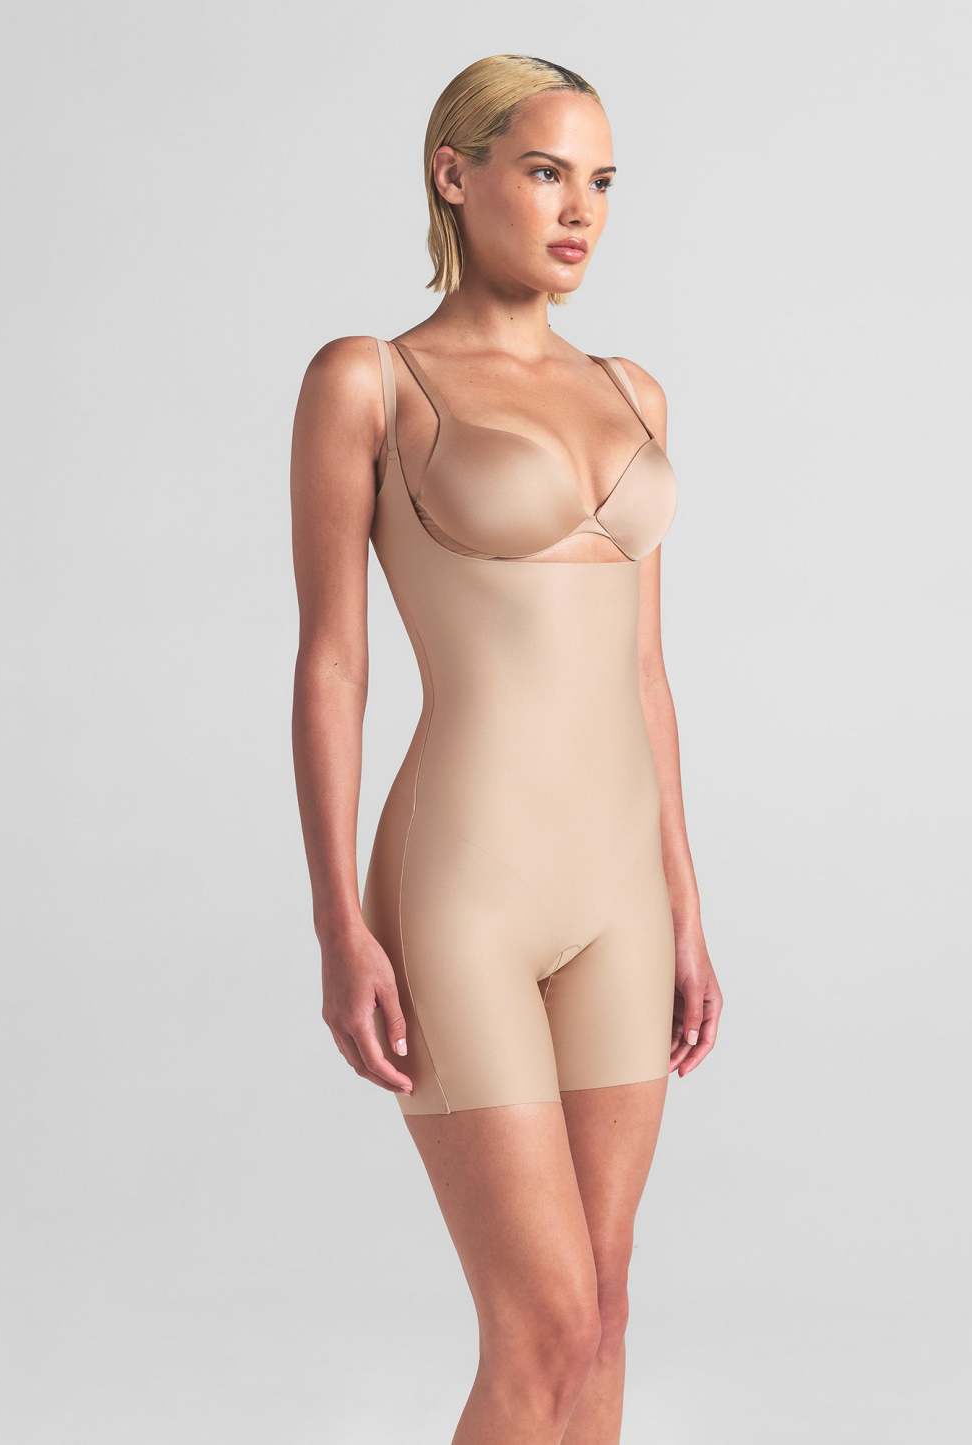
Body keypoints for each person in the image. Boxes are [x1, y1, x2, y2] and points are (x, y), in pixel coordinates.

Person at [290, 53, 723, 1444]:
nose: (578, 209)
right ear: (453, 173)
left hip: (618, 893)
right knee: (538, 1322)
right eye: (543, 171)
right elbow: (333, 663)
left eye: (600, 181)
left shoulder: (634, 392)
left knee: (603, 1314)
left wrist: (686, 907)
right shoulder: (370, 380)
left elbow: (645, 675)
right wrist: (335, 926)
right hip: (460, 886)